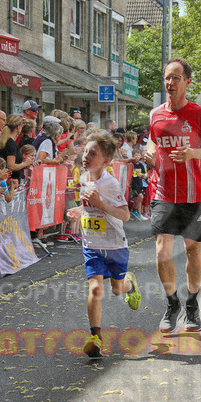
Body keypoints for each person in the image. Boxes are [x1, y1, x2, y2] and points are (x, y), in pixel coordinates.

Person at [144, 57, 201, 333]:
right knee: (162, 251)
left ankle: (192, 303)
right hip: (163, 192)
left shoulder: (200, 115)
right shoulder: (155, 114)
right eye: (167, 78)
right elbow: (152, 140)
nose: (170, 83)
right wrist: (150, 153)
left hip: (193, 194)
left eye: (175, 78)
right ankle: (172, 303)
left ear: (187, 82)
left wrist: (193, 153)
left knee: (192, 250)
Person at [66, 132, 141, 358]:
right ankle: (95, 338)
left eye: (93, 154)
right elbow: (89, 204)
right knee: (95, 289)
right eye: (86, 151)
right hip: (91, 244)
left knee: (117, 290)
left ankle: (129, 284)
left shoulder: (110, 183)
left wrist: (100, 204)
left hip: (115, 245)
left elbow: (125, 215)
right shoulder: (84, 178)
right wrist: (80, 210)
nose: (86, 156)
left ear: (106, 161)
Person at [0, 114, 34, 183]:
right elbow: (11, 166)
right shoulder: (11, 143)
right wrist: (25, 163)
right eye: (21, 126)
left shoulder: (6, 141)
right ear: (18, 127)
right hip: (12, 180)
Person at [130, 149, 148, 221]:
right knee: (140, 197)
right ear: (132, 156)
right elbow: (130, 174)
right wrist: (135, 174)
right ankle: (134, 210)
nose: (137, 157)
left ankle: (137, 213)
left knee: (139, 199)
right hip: (134, 184)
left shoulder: (141, 165)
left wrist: (142, 175)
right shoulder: (131, 164)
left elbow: (145, 175)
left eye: (138, 155)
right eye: (135, 155)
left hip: (140, 183)